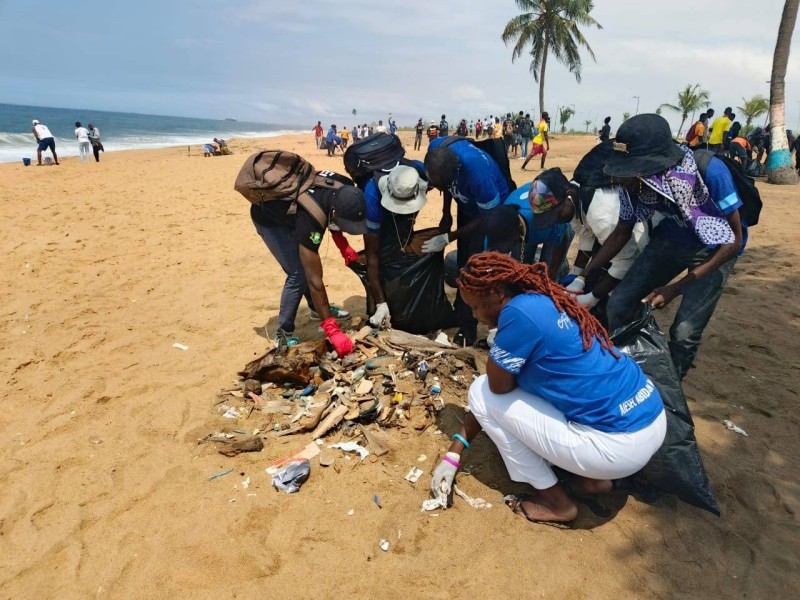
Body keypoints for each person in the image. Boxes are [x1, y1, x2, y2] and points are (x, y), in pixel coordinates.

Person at [430, 252, 666, 525]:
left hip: (617, 447)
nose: (474, 315)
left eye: (475, 307)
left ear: (496, 292)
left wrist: (454, 452)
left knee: (481, 390)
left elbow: (495, 390)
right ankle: (592, 480)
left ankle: (557, 503)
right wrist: (455, 450)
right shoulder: (543, 299)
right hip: (651, 417)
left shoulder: (516, 315)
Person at [581, 114, 745, 380]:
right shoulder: (633, 182)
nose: (622, 179)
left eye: (630, 170)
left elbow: (734, 242)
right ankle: (629, 368)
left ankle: (671, 387)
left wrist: (676, 288)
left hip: (715, 248)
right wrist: (585, 273)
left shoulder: (710, 172)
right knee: (619, 303)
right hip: (671, 239)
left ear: (655, 164)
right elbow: (621, 232)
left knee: (683, 333)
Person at [250, 170, 365, 354]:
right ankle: (283, 333)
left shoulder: (346, 188)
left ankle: (315, 309)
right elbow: (315, 281)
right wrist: (332, 330)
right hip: (270, 220)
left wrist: (343, 245)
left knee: (303, 271)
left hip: (293, 212)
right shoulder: (311, 220)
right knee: (299, 273)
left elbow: (332, 214)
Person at [424, 136, 510, 345]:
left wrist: (451, 236)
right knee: (463, 258)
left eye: (443, 184)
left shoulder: (479, 175)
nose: (439, 189)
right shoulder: (438, 150)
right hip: (467, 204)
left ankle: (471, 325)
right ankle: (462, 314)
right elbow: (445, 185)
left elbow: (486, 219)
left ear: (456, 174)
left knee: (476, 266)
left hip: (492, 213)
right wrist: (447, 213)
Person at [362, 163, 429, 328]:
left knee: (403, 244)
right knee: (383, 253)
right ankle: (385, 302)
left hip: (408, 202)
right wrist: (380, 303)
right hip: (381, 213)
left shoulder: (421, 174)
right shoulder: (371, 197)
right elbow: (372, 254)